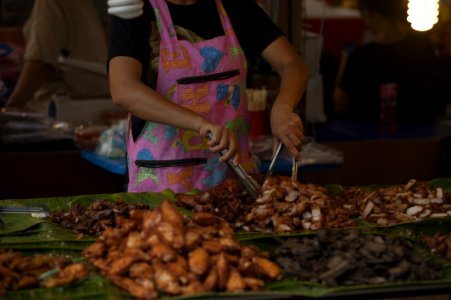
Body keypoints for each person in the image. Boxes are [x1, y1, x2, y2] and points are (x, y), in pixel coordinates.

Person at [108, 0, 308, 193]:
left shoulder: (234, 5)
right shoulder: (133, 8)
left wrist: (283, 106)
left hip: (233, 178)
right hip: (163, 180)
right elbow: (123, 90)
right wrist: (201, 125)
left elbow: (292, 64)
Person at [334, 0, 441, 123]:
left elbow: (341, 105)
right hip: (423, 132)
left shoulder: (361, 56)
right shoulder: (423, 46)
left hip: (369, 136)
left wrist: (344, 61)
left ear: (369, 14)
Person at [4, 0, 110, 113]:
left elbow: (42, 63)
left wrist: (10, 109)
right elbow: (44, 35)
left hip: (67, 108)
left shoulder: (49, 2)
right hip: (93, 101)